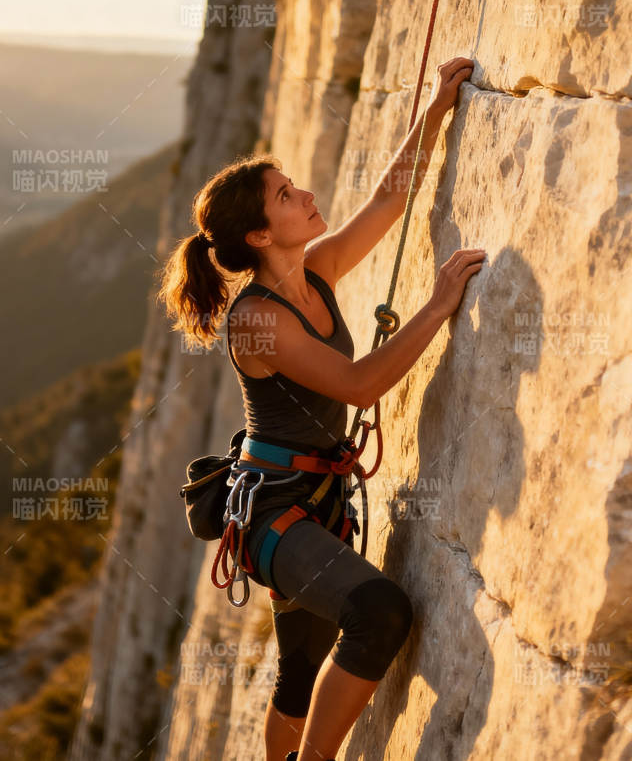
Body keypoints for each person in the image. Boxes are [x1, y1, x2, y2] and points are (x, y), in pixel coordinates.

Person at [160, 57, 482, 761]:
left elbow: (387, 204)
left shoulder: (316, 272)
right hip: (277, 511)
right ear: (258, 236)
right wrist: (439, 304)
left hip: (313, 497)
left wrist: (435, 112)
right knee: (378, 612)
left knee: (300, 674)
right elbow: (360, 385)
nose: (304, 193)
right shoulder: (258, 322)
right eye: (284, 194)